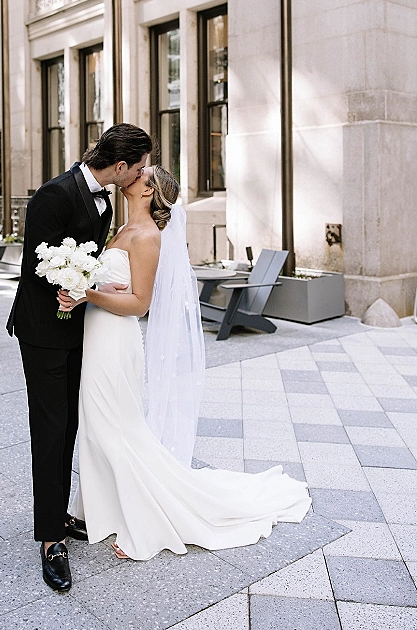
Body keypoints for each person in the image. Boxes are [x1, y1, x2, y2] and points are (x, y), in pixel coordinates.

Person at [58, 165, 311, 561]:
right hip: (97, 337)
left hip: (114, 341)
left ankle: (144, 523)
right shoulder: (124, 229)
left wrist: (88, 293)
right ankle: (103, 510)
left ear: (148, 191)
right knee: (97, 426)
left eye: (143, 173)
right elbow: (114, 284)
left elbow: (140, 303)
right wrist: (90, 284)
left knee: (112, 429)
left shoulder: (146, 236)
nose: (134, 173)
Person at [6, 123, 151, 591]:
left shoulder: (104, 199)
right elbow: (36, 265)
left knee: (70, 424)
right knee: (50, 429)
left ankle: (59, 513)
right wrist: (76, 289)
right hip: (45, 333)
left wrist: (94, 289)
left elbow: (86, 261)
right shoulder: (54, 194)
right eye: (141, 165)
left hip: (80, 329)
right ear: (121, 165)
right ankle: (50, 540)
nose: (143, 173)